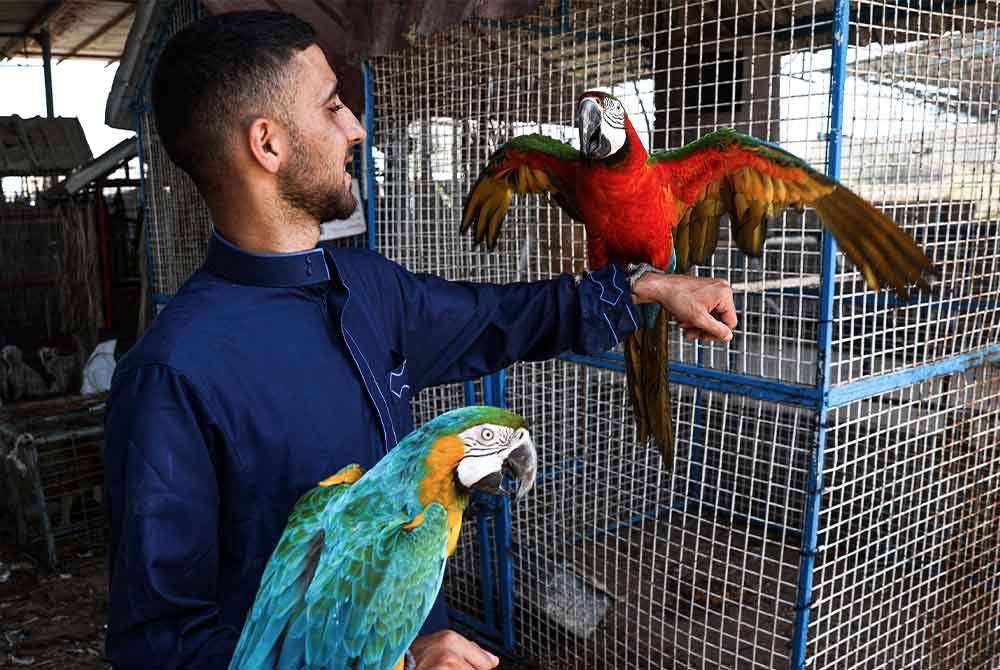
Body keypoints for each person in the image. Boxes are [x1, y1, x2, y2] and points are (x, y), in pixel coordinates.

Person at [103, 10, 737, 670]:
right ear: (268, 145)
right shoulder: (173, 376)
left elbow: (501, 317)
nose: (356, 127)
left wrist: (645, 288)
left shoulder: (372, 291)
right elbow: (159, 647)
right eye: (332, 108)